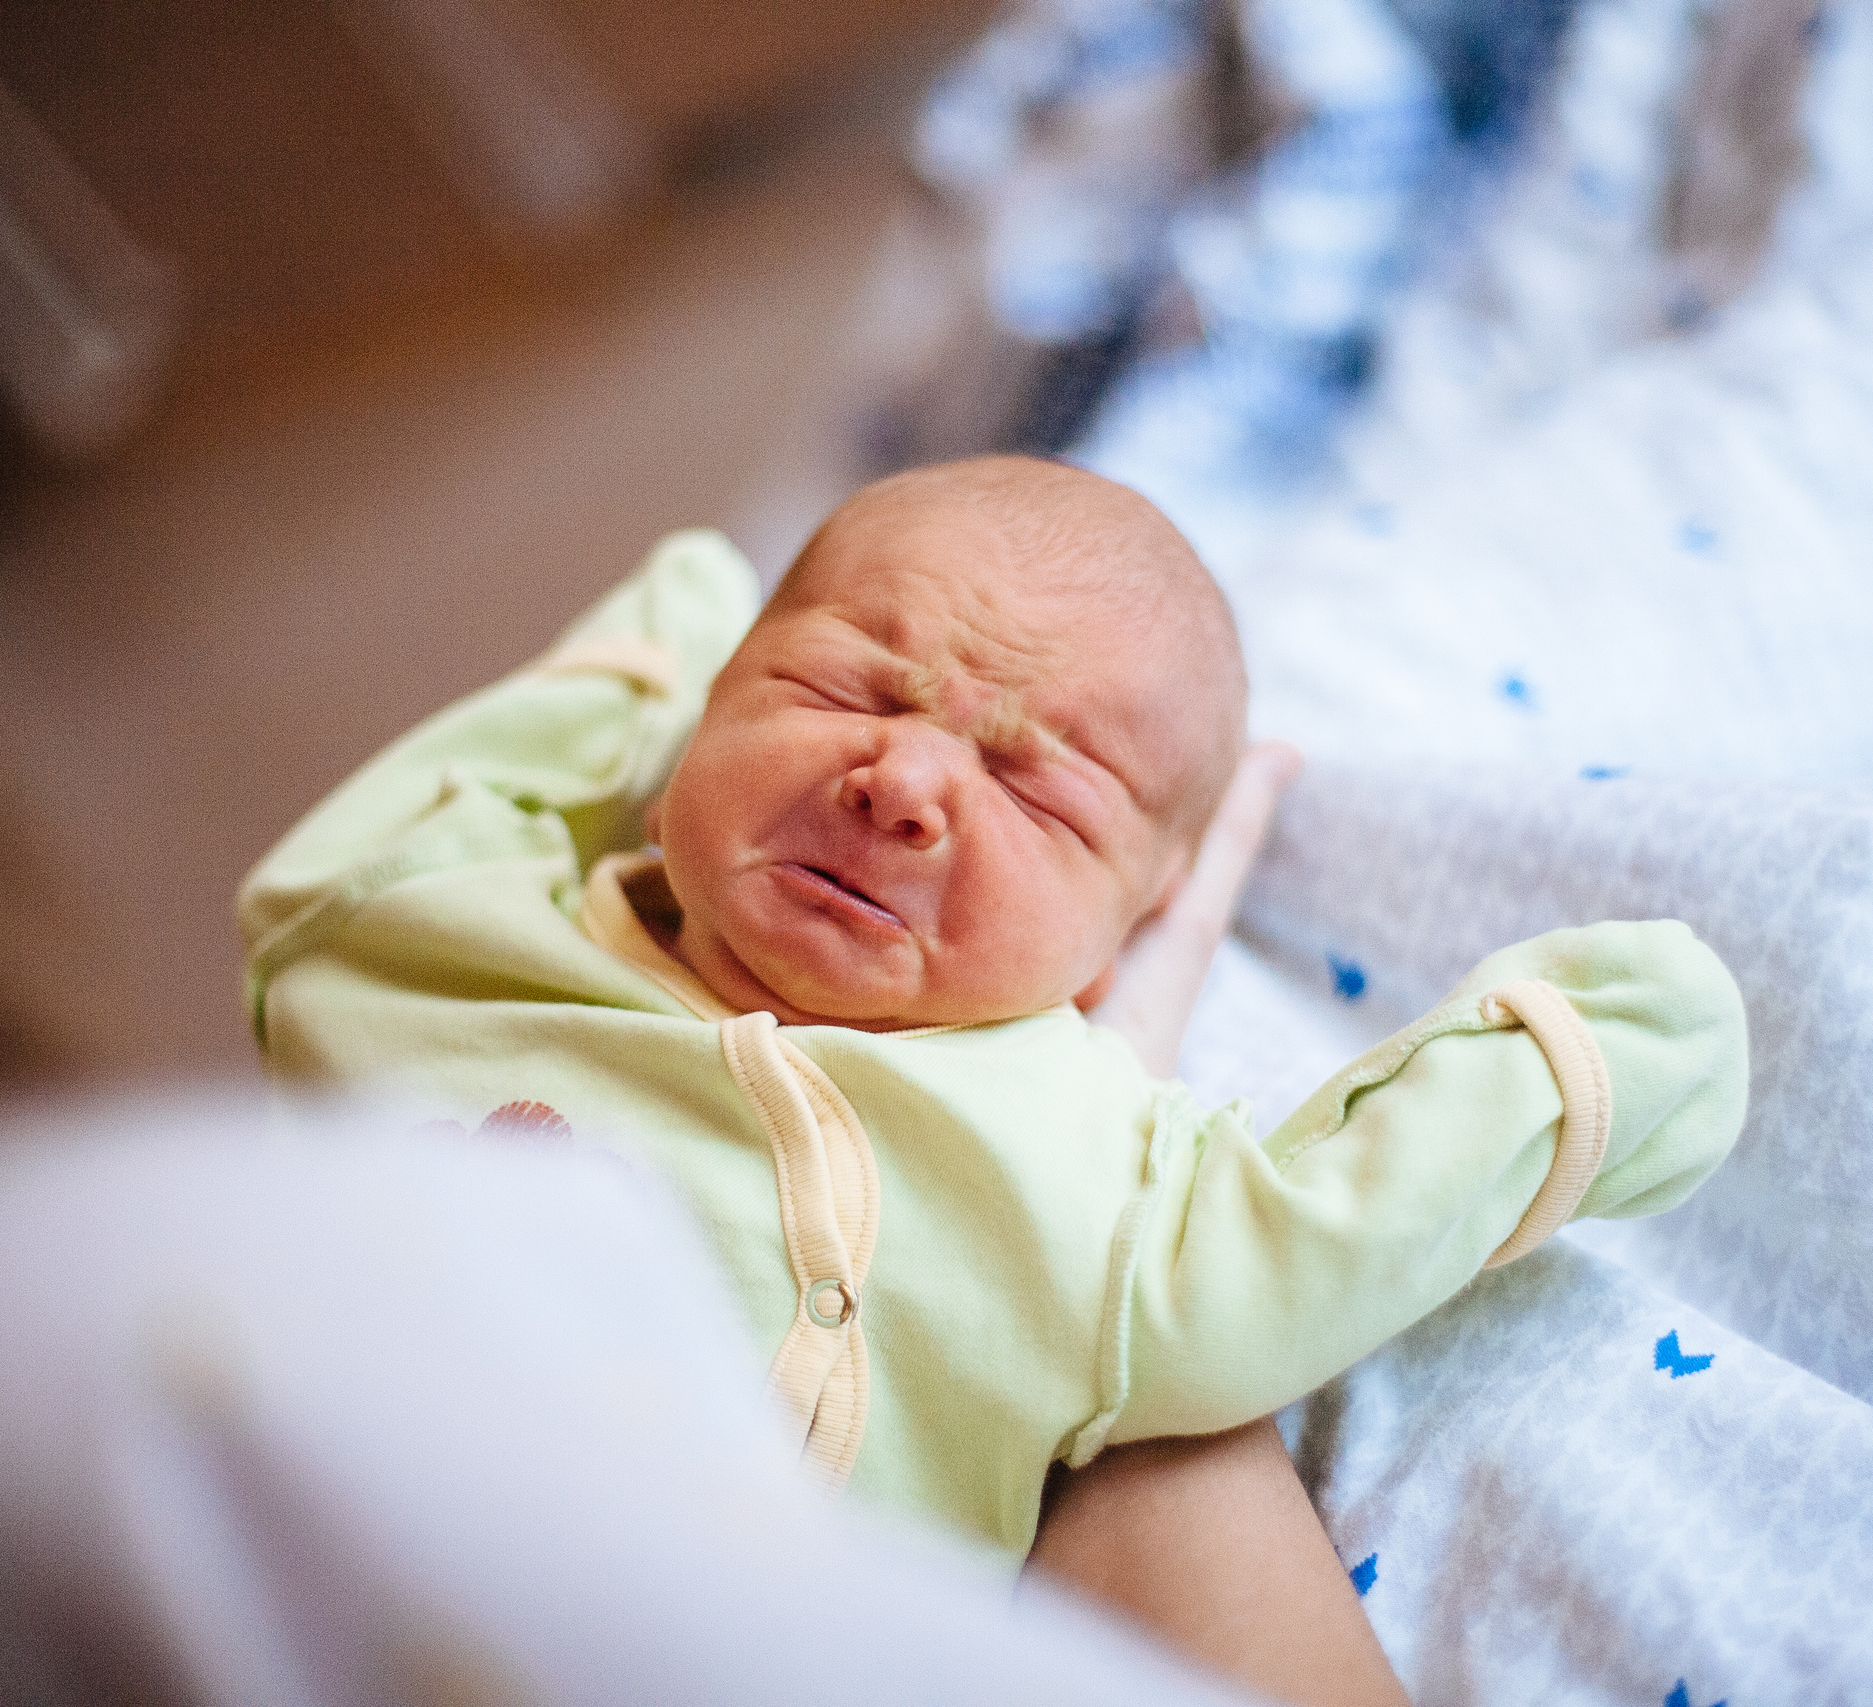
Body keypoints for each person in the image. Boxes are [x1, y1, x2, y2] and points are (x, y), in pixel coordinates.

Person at [239, 456, 1749, 1705]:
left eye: (1037, 788)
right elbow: (419, 811)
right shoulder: (433, 932)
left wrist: (1573, 1064)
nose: (902, 783)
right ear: (714, 701)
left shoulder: (1085, 1173)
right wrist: (648, 654)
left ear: (1139, 921)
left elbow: (1318, 1231)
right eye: (843, 685)